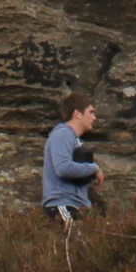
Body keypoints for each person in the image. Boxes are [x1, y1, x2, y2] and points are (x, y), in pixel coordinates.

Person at [42, 92, 101, 221]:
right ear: (77, 114)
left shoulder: (74, 139)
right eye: (91, 112)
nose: (94, 118)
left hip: (74, 206)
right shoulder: (62, 134)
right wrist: (94, 168)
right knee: (75, 240)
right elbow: (63, 168)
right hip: (63, 205)